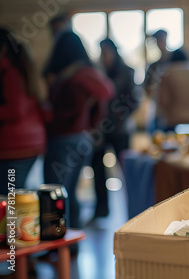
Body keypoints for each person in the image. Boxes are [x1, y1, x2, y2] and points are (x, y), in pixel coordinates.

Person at [44, 31, 114, 228]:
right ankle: (70, 243)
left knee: (56, 194)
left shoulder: (75, 75)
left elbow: (105, 92)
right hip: (80, 139)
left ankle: (60, 242)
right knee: (69, 193)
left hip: (64, 138)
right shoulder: (83, 73)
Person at [89, 38, 138, 220]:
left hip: (120, 130)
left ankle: (133, 210)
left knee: (125, 171)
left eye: (107, 52)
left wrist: (119, 117)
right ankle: (101, 209)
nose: (104, 56)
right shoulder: (98, 72)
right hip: (100, 130)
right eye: (101, 52)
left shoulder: (126, 71)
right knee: (98, 170)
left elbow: (134, 100)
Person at [0, 28, 46, 194]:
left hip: (15, 146)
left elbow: (15, 110)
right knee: (14, 198)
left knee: (10, 201)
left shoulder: (7, 71)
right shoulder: (22, 67)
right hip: (28, 142)